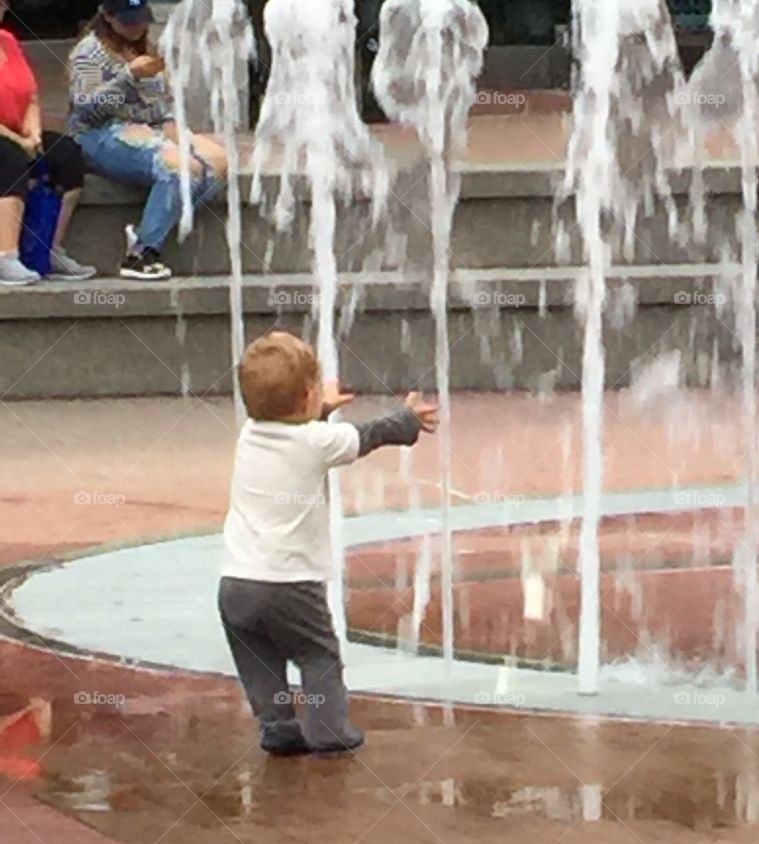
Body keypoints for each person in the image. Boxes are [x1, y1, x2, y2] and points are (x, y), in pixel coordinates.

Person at [219, 332, 439, 758]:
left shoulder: (250, 435)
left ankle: (278, 727)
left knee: (259, 659)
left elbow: (290, 429)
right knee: (318, 656)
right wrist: (409, 419)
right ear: (305, 398)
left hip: (236, 583)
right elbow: (369, 435)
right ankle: (329, 729)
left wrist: (315, 409)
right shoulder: (318, 442)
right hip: (290, 584)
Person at [67, 0, 227, 281]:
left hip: (151, 129)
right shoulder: (88, 54)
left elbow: (160, 105)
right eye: (128, 21)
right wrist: (128, 77)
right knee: (179, 166)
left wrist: (174, 130)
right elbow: (87, 110)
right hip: (99, 134)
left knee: (217, 163)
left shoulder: (146, 50)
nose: (137, 27)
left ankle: (152, 228)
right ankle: (141, 253)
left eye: (141, 20)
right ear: (107, 17)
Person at [0, 0, 95, 285]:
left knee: (66, 155)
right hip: (5, 139)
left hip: (19, 131)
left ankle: (48, 250)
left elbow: (30, 94)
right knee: (10, 157)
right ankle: (5, 256)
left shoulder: (8, 41)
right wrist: (20, 140)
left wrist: (35, 134)